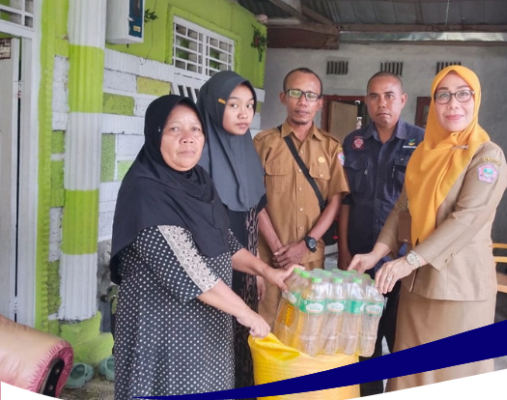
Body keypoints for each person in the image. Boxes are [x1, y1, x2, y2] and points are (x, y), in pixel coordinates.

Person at [110, 95, 294, 399]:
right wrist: (247, 314)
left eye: (196, 129)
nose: (188, 139)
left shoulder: (199, 180)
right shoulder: (146, 190)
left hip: (207, 331)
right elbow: (188, 269)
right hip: (163, 333)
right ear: (155, 134)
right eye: (174, 130)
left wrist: (268, 271)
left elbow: (224, 242)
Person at [349, 65, 507, 390]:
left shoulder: (487, 156)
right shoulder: (425, 151)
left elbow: (466, 219)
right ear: (433, 102)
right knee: (409, 374)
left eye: (463, 94)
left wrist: (408, 261)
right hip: (417, 286)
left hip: (459, 289)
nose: (453, 104)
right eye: (444, 95)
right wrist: (375, 254)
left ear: (476, 100)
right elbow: (401, 209)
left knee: (451, 377)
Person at [337, 71, 424, 396]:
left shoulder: (422, 142)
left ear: (402, 100)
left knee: (400, 340)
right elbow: (346, 199)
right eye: (374, 96)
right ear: (366, 101)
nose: (381, 103)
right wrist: (344, 250)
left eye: (389, 96)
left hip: (403, 262)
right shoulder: (354, 142)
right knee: (363, 340)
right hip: (361, 258)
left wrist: (411, 259)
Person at [254, 67, 350, 326]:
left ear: (320, 103)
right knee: (268, 330)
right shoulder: (263, 143)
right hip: (270, 260)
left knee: (307, 329)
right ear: (283, 97)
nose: (303, 101)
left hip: (311, 261)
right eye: (296, 93)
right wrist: (278, 249)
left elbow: (335, 201)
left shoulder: (332, 147)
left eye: (310, 95)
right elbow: (254, 202)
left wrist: (307, 243)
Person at [196, 71, 266, 396]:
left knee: (245, 334)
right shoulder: (194, 157)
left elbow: (255, 209)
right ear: (213, 105)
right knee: (216, 337)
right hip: (211, 273)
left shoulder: (246, 148)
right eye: (234, 104)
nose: (244, 113)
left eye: (250, 105)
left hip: (246, 265)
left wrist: (259, 270)